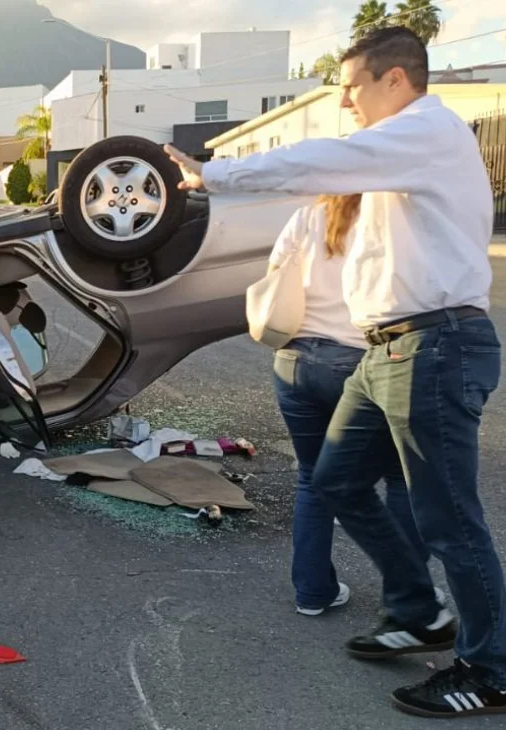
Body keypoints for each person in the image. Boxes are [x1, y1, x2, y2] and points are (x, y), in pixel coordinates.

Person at [165, 26, 505, 718]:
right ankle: (419, 609)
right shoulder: (398, 158)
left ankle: (491, 667)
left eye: (351, 88)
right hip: (385, 351)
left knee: (450, 520)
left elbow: (321, 162)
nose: (345, 103)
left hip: (434, 347)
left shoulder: (427, 131)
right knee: (337, 480)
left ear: (396, 80)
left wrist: (213, 172)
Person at [268, 197, 437, 616]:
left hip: (295, 359)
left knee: (312, 478)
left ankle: (312, 591)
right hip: (361, 361)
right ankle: (404, 605)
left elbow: (273, 274)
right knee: (399, 478)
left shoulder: (308, 214)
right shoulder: (390, 216)